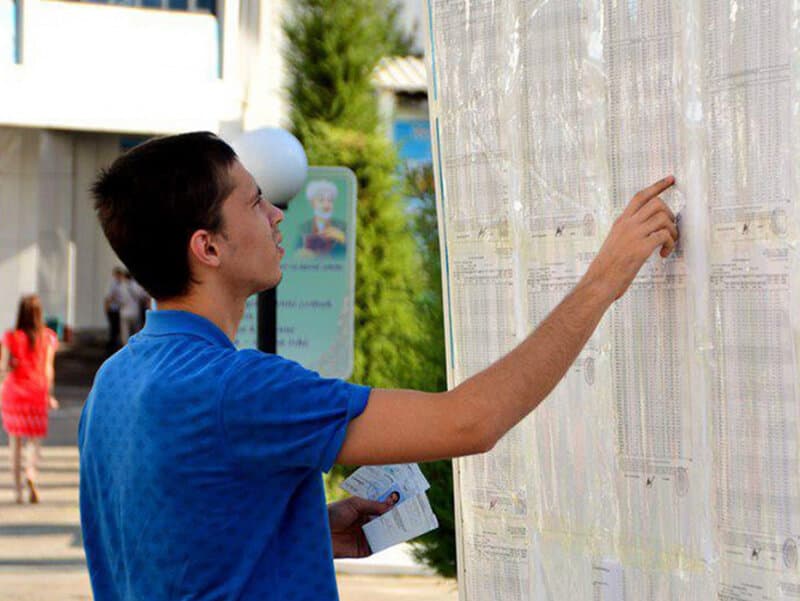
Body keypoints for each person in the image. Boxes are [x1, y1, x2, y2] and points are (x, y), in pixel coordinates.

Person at [79, 132, 678, 600]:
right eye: (256, 201)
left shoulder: (115, 380)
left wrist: (302, 530)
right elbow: (469, 422)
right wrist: (604, 278)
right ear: (207, 247)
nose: (278, 216)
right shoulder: (241, 390)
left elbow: (163, 541)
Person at [0, 295, 59, 504]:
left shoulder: (10, 337)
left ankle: (17, 491)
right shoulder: (48, 337)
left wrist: (11, 365)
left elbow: (4, 367)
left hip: (13, 394)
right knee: (34, 440)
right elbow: (48, 369)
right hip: (37, 392)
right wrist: (49, 395)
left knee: (15, 442)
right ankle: (31, 474)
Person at [103, 268, 124, 353]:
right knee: (114, 328)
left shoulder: (120, 284)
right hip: (112, 309)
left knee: (116, 328)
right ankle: (110, 346)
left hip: (117, 309)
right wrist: (106, 309)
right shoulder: (112, 284)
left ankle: (112, 345)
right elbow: (108, 297)